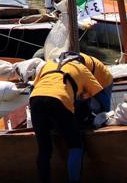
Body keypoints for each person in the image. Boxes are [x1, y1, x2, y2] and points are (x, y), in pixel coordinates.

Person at [30, 52, 105, 183]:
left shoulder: (47, 65)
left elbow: (33, 88)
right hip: (59, 100)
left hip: (35, 100)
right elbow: (100, 95)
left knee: (44, 149)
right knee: (76, 145)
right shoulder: (81, 68)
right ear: (80, 61)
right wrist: (105, 114)